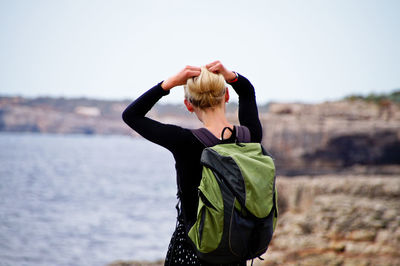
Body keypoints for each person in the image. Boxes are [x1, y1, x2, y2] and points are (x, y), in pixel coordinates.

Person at [122, 61, 263, 265]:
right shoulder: (249, 136)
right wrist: (230, 75)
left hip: (192, 251)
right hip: (234, 249)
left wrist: (168, 84)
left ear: (189, 105)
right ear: (227, 96)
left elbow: (131, 115)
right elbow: (248, 91)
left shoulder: (183, 141)